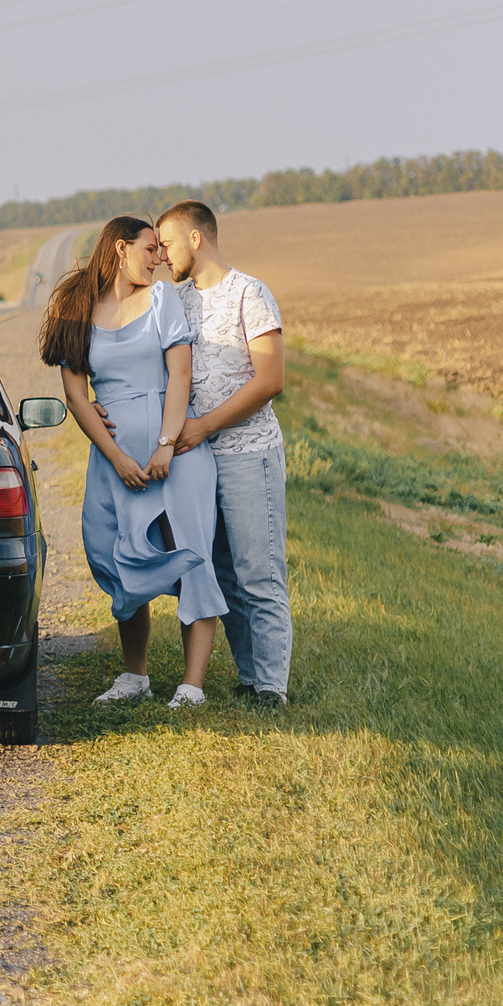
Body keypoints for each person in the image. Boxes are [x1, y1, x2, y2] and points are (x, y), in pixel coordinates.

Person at [38, 216, 227, 709]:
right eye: (150, 249)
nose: (160, 257)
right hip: (114, 459)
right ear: (120, 249)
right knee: (121, 554)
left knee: (191, 553)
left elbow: (180, 372)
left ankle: (192, 686)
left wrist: (165, 444)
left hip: (177, 456)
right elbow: (77, 396)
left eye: (161, 251)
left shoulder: (161, 300)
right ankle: (134, 676)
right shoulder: (75, 307)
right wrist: (118, 457)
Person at [156, 200, 291, 708]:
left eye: (167, 243)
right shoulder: (175, 300)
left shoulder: (249, 293)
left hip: (248, 453)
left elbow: (271, 379)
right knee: (222, 573)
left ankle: (272, 688)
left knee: (261, 572)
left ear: (196, 238)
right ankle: (250, 675)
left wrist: (205, 426)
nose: (164, 255)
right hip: (198, 462)